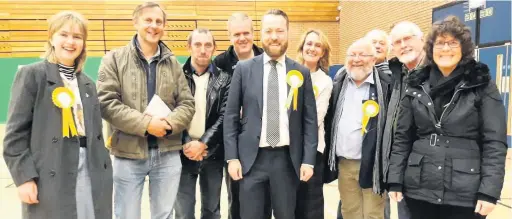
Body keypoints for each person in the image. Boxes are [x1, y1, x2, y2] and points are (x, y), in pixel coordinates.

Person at [387, 16, 507, 219]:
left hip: (465, 191)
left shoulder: (481, 84)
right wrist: (395, 179)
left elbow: (494, 142)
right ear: (431, 49)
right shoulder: (416, 84)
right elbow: (402, 137)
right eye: (440, 43)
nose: (445, 49)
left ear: (464, 48)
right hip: (419, 187)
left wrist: (489, 192)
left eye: (452, 43)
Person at [3, 11, 112, 219]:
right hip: (52, 167)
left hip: (90, 167)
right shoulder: (32, 75)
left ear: (83, 43)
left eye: (77, 37)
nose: (70, 42)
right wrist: (24, 178)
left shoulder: (88, 83)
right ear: (51, 38)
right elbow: (14, 136)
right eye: (64, 34)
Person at [96, 2, 195, 219]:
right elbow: (107, 103)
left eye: (159, 21)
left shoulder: (173, 64)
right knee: (126, 214)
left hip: (168, 152)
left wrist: (169, 125)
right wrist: (147, 124)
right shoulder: (113, 59)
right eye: (148, 20)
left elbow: (187, 104)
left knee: (164, 214)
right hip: (127, 153)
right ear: (136, 22)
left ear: (164, 26)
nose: (153, 26)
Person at [223, 9, 318, 219]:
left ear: (287, 33)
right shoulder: (243, 69)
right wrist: (232, 158)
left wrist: (308, 161)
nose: (274, 36)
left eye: (279, 31)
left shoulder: (300, 73)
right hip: (251, 161)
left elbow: (309, 120)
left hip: (287, 161)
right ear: (261, 34)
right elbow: (230, 117)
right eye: (268, 31)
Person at [324, 38, 391, 219]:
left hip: (373, 163)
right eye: (352, 54)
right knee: (349, 211)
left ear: (373, 59)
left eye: (362, 54)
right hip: (345, 162)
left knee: (373, 214)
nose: (356, 59)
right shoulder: (339, 81)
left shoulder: (386, 84)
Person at [212, 12, 269, 219]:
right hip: (235, 145)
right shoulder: (220, 63)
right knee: (236, 199)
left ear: (254, 33)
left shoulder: (268, 58)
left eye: (246, 32)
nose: (242, 38)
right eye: (237, 34)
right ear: (229, 36)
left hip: (266, 142)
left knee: (265, 200)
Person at [173, 28, 231, 219]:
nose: (203, 50)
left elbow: (224, 116)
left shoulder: (225, 79)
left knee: (212, 211)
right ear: (189, 46)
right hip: (183, 152)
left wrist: (203, 143)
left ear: (214, 48)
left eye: (208, 45)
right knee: (183, 212)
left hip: (212, 153)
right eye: (197, 44)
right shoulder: (175, 76)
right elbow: (171, 113)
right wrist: (188, 143)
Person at [382, 21, 429, 219]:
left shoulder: (440, 73)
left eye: (408, 38)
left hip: (431, 168)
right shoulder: (395, 74)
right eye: (397, 42)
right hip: (404, 168)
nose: (403, 45)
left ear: (422, 39)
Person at [295, 29, 333, 219]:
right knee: (290, 203)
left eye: (318, 45)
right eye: (309, 43)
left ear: (323, 52)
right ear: (302, 47)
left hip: (313, 150)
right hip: (287, 149)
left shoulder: (325, 81)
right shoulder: (289, 73)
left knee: (311, 205)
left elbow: (316, 118)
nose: (312, 48)